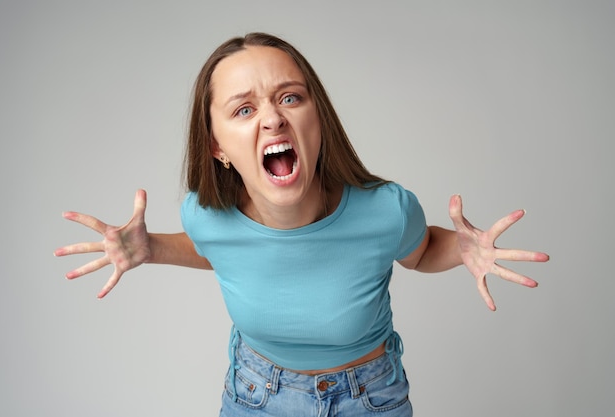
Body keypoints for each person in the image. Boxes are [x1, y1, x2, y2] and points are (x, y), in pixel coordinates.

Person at [54, 32, 549, 417]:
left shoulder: (386, 211)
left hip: (369, 397)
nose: (271, 119)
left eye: (289, 98)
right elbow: (221, 249)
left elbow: (419, 253)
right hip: (255, 394)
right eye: (244, 109)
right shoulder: (205, 217)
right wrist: (151, 248)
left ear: (319, 119)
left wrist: (465, 250)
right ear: (217, 148)